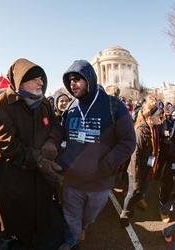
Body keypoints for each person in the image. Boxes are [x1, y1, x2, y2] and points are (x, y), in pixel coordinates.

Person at [56, 60, 136, 249]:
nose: (73, 83)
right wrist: (62, 162)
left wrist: (104, 166)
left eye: (78, 79)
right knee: (71, 216)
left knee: (89, 217)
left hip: (99, 181)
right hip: (72, 181)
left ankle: (81, 229)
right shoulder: (70, 109)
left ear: (90, 79)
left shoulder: (113, 105)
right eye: (70, 80)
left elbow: (128, 142)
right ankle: (72, 239)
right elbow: (62, 138)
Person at [0, 58, 63, 249]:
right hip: (15, 174)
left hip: (40, 176)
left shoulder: (45, 103)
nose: (41, 83)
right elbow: (6, 143)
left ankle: (35, 236)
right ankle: (10, 238)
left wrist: (51, 144)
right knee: (16, 213)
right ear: (21, 82)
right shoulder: (3, 104)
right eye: (36, 79)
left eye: (41, 79)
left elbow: (56, 127)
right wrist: (38, 160)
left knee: (39, 210)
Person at [119, 95, 160, 227]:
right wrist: (136, 177)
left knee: (143, 192)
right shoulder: (142, 131)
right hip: (136, 169)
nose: (159, 118)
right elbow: (135, 156)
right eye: (157, 115)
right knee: (133, 192)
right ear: (149, 117)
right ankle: (124, 213)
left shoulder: (154, 128)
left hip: (147, 167)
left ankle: (130, 207)